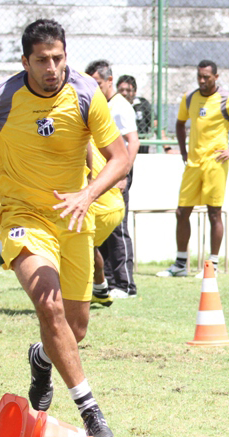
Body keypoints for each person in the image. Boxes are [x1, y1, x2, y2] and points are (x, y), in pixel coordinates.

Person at [0, 19, 131, 437]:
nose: (52, 68)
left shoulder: (86, 93)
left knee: (75, 329)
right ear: (25, 61)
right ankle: (90, 410)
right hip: (22, 216)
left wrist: (87, 194)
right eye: (43, 60)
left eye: (58, 58)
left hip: (73, 219)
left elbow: (120, 157)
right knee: (49, 306)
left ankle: (41, 357)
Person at [158, 60, 229, 277]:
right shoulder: (189, 97)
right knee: (182, 212)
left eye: (206, 77)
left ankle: (212, 265)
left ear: (216, 76)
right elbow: (180, 123)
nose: (202, 81)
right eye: (199, 76)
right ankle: (180, 264)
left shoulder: (228, 100)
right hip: (193, 163)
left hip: (215, 163)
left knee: (214, 213)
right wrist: (183, 152)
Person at [85, 60, 140, 301]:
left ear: (109, 81)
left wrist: (124, 173)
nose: (93, 89)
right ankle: (106, 280)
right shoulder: (100, 104)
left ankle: (126, 284)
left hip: (117, 172)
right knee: (102, 226)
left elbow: (133, 141)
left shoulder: (120, 106)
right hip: (103, 172)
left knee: (118, 227)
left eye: (97, 83)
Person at [116, 75, 151, 155]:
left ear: (135, 92)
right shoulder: (112, 106)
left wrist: (167, 148)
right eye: (121, 90)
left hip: (141, 151)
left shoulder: (142, 104)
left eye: (128, 90)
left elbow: (156, 125)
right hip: (119, 150)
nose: (124, 93)